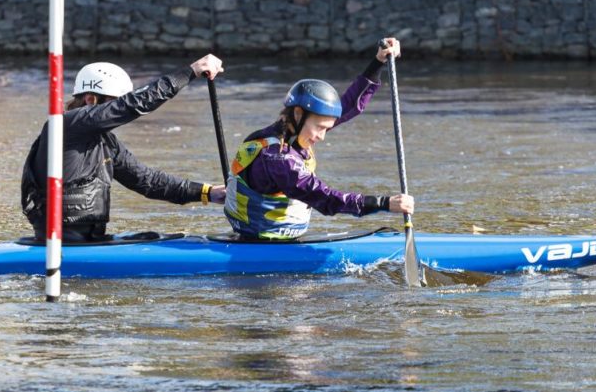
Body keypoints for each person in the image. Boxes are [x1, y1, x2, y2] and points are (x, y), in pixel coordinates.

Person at [21, 54, 228, 242]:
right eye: (113, 105)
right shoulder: (64, 125)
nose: (117, 114)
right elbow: (133, 105)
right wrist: (190, 71)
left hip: (89, 239)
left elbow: (148, 181)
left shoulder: (106, 144)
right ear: (91, 100)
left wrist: (208, 193)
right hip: (60, 242)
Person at [224, 38, 414, 240]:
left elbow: (350, 105)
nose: (323, 137)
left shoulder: (294, 132)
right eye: (321, 128)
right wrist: (383, 203)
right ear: (298, 114)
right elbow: (325, 198)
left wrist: (378, 62)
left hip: (280, 236)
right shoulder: (278, 158)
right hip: (260, 241)